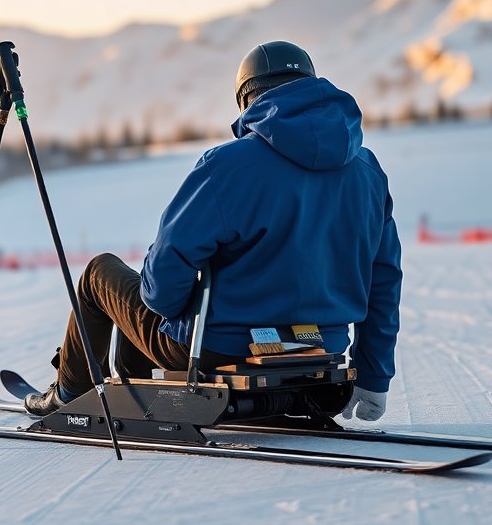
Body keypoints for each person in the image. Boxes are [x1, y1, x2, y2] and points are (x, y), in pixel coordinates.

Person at [24, 40, 401, 423]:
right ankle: (131, 387)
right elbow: (383, 280)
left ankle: (70, 394)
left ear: (247, 100)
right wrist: (372, 376)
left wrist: (171, 303)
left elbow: (161, 292)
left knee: (100, 274)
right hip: (321, 347)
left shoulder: (226, 166)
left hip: (221, 348)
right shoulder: (368, 171)